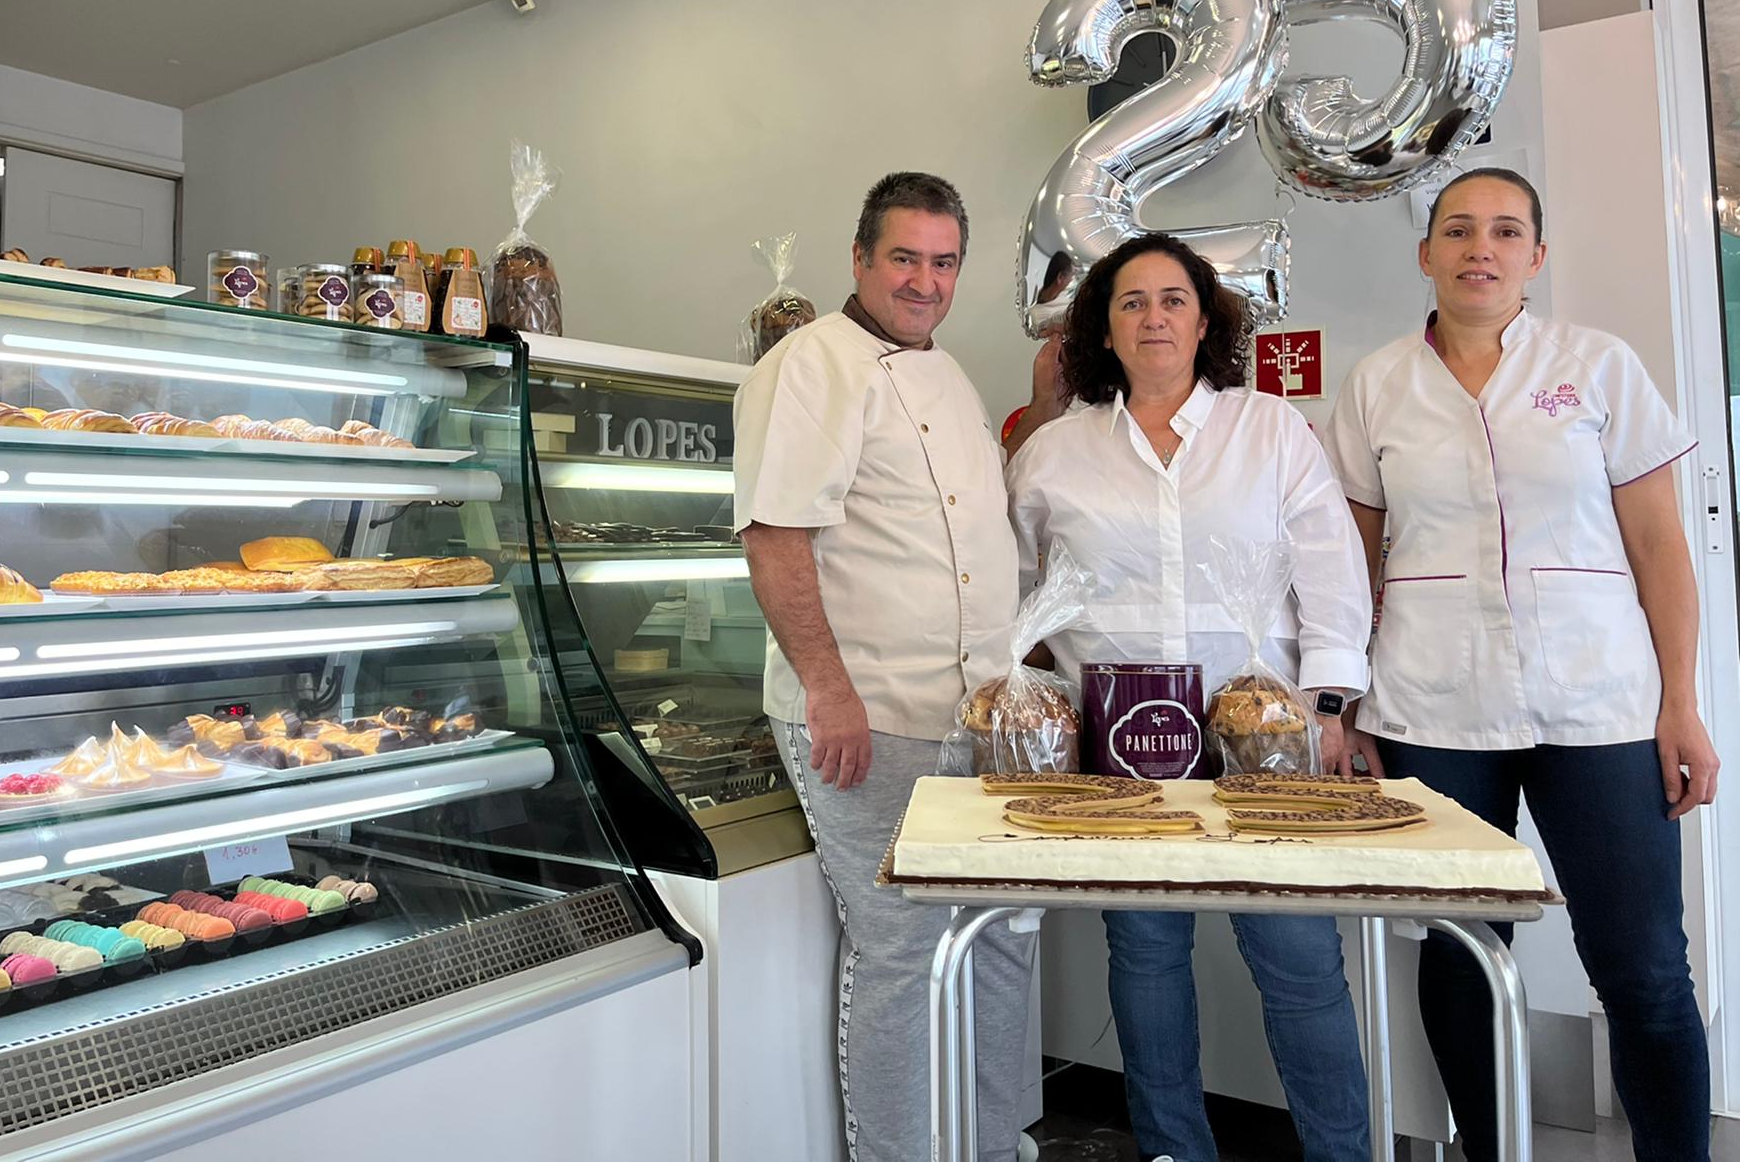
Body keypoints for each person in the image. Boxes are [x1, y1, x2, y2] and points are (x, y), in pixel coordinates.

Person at [1323, 167, 1717, 1162]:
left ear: (1537, 257)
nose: (1479, 249)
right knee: (1461, 956)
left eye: (1505, 232)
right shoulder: (1377, 384)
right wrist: (1345, 704)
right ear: (1426, 256)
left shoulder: (1598, 366)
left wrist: (1683, 703)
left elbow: (1663, 545)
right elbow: (1350, 560)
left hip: (1600, 706)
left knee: (1643, 969)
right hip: (1432, 705)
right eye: (1457, 231)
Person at [1006, 232, 1374, 1162]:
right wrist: (1028, 703)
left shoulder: (1270, 429)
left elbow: (1331, 571)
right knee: (1147, 954)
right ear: (1104, 327)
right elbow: (1010, 587)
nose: (1154, 317)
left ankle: (1342, 1153)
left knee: (1297, 961)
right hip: (1123, 744)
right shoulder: (1056, 453)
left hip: (1266, 738)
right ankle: (1175, 1149)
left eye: (1173, 299)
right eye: (1131, 302)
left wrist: (1329, 711)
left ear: (1205, 320)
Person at [734, 172, 1035, 1162]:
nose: (924, 281)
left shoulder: (950, 378)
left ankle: (996, 1145)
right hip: (870, 713)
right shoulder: (809, 363)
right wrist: (828, 689)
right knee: (901, 949)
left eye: (943, 262)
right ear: (860, 259)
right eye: (904, 257)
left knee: (996, 935)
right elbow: (776, 535)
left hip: (973, 718)